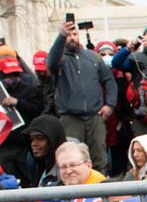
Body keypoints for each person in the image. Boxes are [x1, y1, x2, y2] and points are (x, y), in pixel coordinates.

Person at [47, 19, 119, 172]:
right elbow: (51, 63)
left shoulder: (93, 57)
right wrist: (61, 36)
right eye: (69, 35)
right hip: (70, 118)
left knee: (99, 158)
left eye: (75, 34)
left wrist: (110, 105)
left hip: (95, 116)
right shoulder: (61, 59)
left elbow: (109, 81)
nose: (72, 37)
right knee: (72, 159)